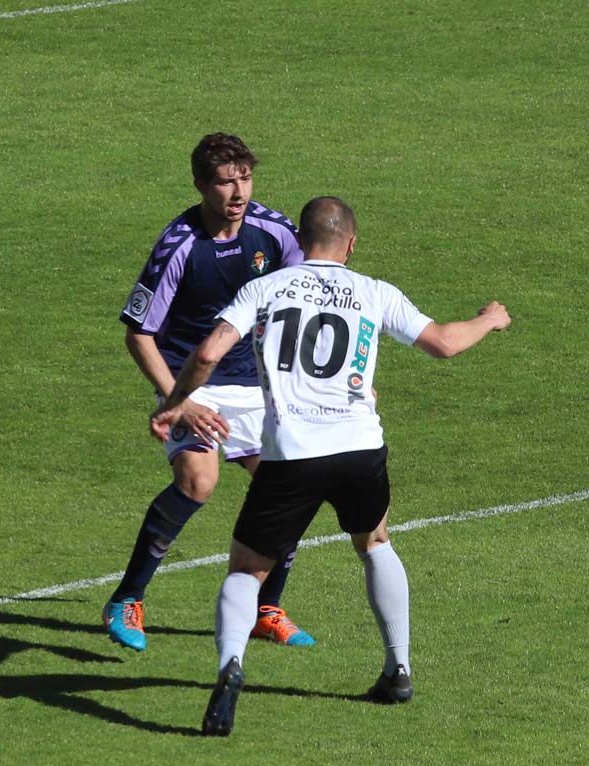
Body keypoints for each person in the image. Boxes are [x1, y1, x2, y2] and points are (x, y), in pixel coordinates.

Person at [151, 196, 511, 736]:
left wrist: (174, 401)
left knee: (247, 569)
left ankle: (229, 666)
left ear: (300, 238)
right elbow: (443, 344)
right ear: (351, 242)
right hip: (360, 449)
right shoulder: (373, 292)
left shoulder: (264, 287)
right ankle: (399, 668)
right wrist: (488, 319)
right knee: (375, 543)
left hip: (292, 454)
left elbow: (206, 354)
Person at [107, 133, 314, 652]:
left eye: (245, 178)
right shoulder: (178, 246)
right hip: (190, 380)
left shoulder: (275, 230)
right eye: (225, 182)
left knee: (287, 489)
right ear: (201, 185)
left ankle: (268, 610)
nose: (238, 192)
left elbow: (310, 298)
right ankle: (126, 599)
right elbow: (139, 333)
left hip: (257, 382)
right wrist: (180, 402)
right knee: (199, 481)